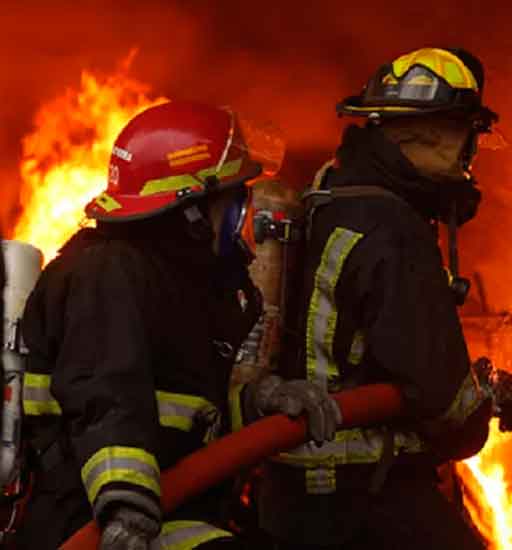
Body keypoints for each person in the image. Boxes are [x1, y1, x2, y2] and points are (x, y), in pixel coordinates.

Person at [248, 47, 512, 550]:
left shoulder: (328, 194)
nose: (469, 160)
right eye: (467, 138)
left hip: (289, 495)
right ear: (437, 133)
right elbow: (443, 406)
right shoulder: (394, 232)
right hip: (367, 500)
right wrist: (482, 403)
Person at [15, 100, 315, 550]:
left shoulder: (176, 280)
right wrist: (125, 507)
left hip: (173, 506)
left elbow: (184, 407)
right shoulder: (108, 272)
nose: (241, 215)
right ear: (190, 208)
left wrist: (261, 403)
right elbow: (104, 395)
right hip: (92, 522)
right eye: (233, 200)